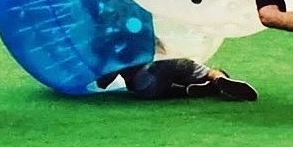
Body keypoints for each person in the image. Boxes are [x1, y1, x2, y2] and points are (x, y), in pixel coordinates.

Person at [96, 39, 258, 101]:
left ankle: (186, 91)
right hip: (173, 61)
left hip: (146, 81)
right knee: (203, 71)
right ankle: (216, 79)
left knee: (153, 88)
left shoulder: (112, 44)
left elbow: (103, 82)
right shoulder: (143, 28)